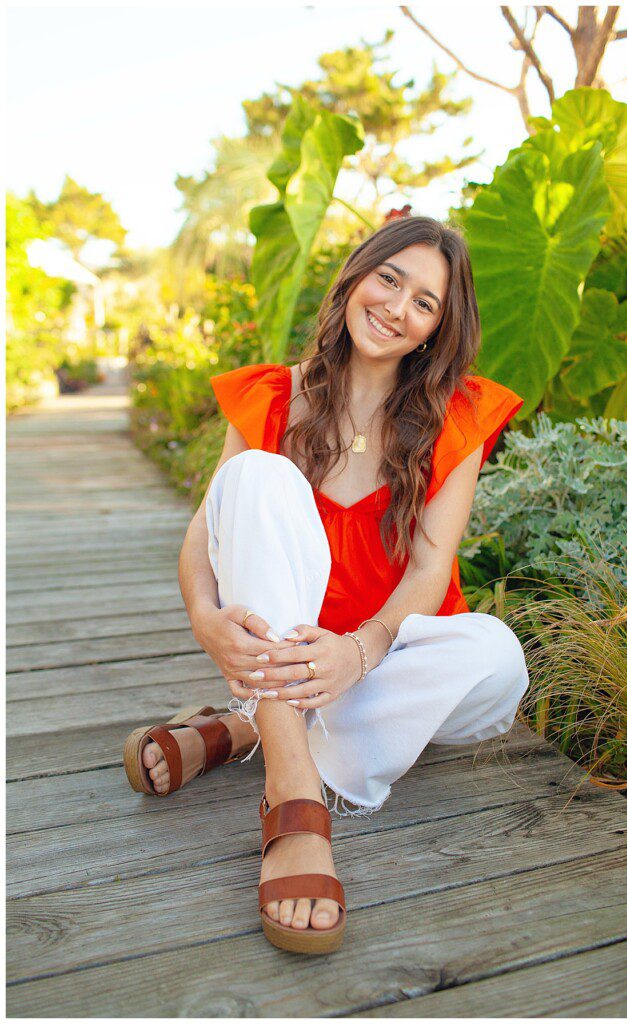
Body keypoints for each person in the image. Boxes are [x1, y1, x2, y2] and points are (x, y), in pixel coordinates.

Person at [123, 215, 530, 955]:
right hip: (291, 648)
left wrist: (361, 650)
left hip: (390, 654)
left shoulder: (457, 415)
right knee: (251, 477)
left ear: (438, 328)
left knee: (500, 658)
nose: (397, 306)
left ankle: (246, 726)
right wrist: (203, 615)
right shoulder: (274, 398)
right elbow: (201, 539)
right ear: (355, 277)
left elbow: (430, 572)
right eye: (389, 278)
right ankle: (295, 795)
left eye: (425, 302)